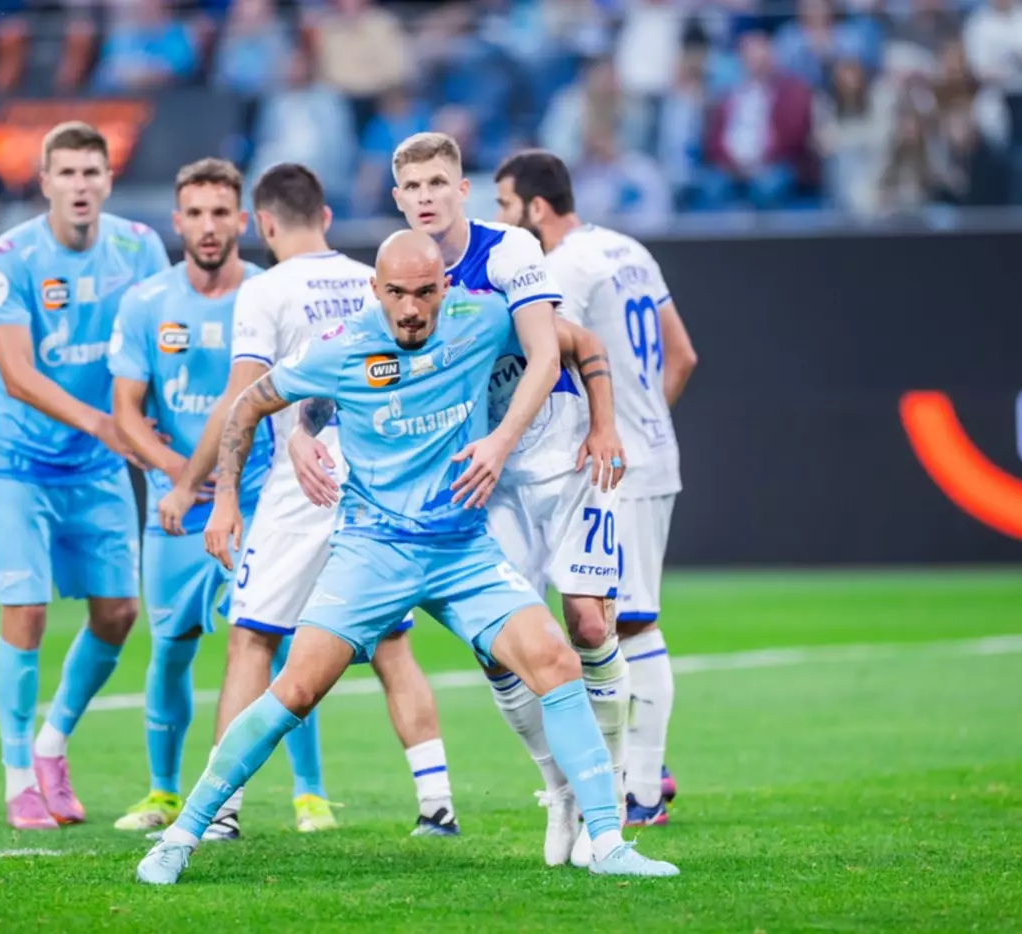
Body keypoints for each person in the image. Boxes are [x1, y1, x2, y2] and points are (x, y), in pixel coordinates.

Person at [135, 230, 681, 884]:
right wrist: (233, 492)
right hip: (373, 551)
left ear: (446, 287)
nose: (412, 309)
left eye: (425, 292)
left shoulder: (482, 318)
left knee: (558, 662)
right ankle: (180, 836)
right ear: (375, 289)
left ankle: (609, 843)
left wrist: (602, 424)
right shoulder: (342, 345)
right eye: (396, 293)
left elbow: (580, 343)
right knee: (296, 690)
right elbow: (250, 403)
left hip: (462, 551)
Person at [155, 162, 459, 839]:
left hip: (303, 481)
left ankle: (220, 811)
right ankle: (437, 804)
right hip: (381, 475)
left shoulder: (265, 290)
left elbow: (243, 398)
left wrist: (207, 490)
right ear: (324, 216)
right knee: (391, 645)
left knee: (252, 638)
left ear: (262, 225)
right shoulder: (375, 277)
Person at [383, 131, 635, 866]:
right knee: (498, 647)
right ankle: (560, 790)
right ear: (397, 199)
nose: (426, 197)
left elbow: (558, 350)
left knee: (585, 623)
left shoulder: (508, 252)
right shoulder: (403, 275)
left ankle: (613, 790)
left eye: (438, 183)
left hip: (561, 458)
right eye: (412, 187)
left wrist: (597, 427)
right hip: (487, 481)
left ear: (461, 190)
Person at [108, 158, 328, 831]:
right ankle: (163, 792)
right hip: (176, 507)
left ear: (243, 221)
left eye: (220, 213)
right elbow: (124, 411)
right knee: (171, 646)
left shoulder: (269, 291)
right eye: (196, 214)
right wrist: (179, 473)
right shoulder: (147, 303)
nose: (208, 227)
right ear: (177, 222)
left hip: (260, 498)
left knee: (277, 641)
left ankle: (309, 793)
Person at [493, 149, 698, 835]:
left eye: (505, 205)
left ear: (536, 207)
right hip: (650, 451)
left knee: (626, 622)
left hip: (611, 465)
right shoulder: (628, 250)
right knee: (617, 620)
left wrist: (609, 434)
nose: (502, 220)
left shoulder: (562, 266)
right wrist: (647, 421)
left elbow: (560, 356)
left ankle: (642, 790)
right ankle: (642, 773)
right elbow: (682, 356)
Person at [0, 121, 171, 830]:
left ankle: (52, 745)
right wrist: (104, 424)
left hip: (97, 466)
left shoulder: (140, 248)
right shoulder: (9, 257)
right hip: (17, 461)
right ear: (45, 182)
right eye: (67, 173)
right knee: (26, 611)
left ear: (109, 181)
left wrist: (160, 435)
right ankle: (17, 778)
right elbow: (16, 373)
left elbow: (158, 350)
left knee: (118, 613)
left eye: (92, 172)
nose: (80, 185)